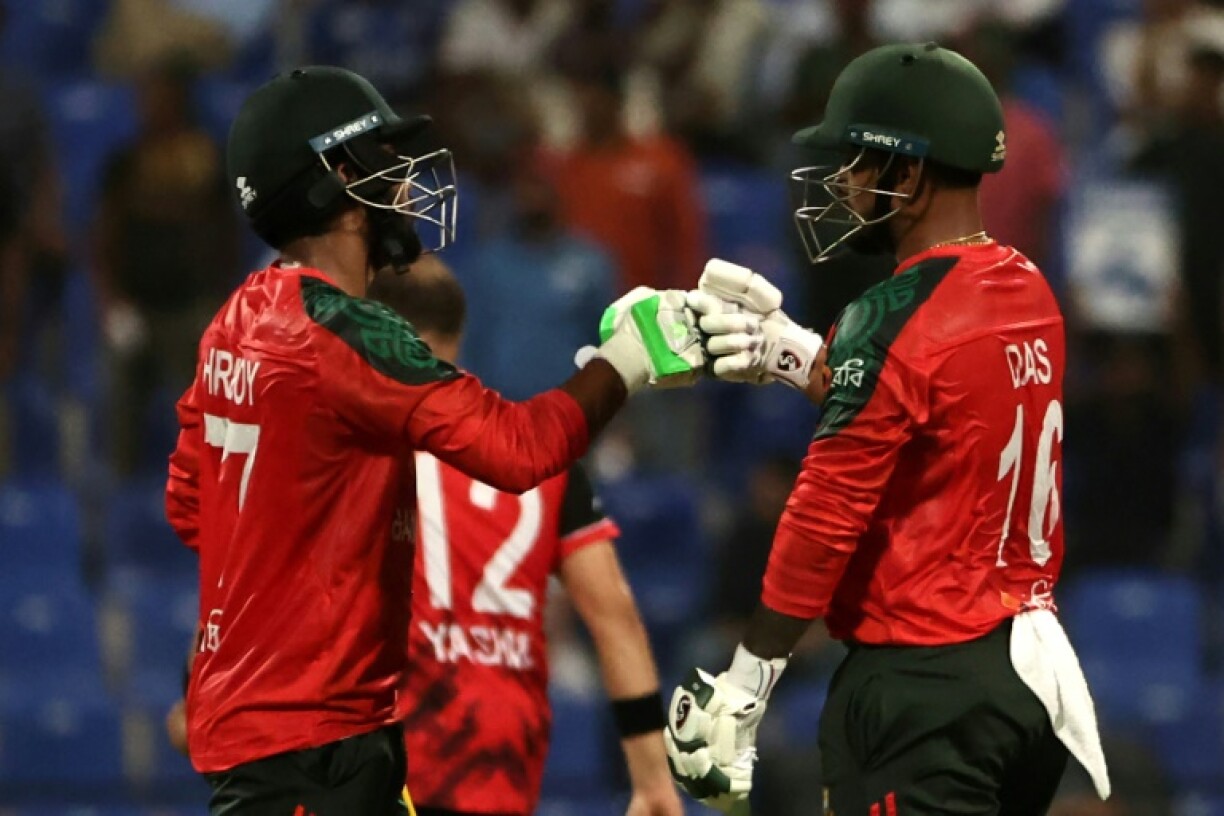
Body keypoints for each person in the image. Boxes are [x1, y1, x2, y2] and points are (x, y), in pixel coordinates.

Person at [164, 65, 703, 815]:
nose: (401, 186)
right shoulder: (346, 333)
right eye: (382, 164)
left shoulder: (236, 318)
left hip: (283, 734)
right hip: (317, 744)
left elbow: (191, 505)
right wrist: (628, 358)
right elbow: (519, 450)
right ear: (336, 181)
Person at [663, 43, 1111, 814]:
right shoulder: (1027, 287)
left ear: (909, 174)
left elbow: (825, 512)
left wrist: (747, 681)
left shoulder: (890, 314)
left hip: (922, 683)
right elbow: (935, 408)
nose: (843, 181)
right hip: (1027, 679)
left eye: (860, 160)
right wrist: (797, 355)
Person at [367, 259, 682, 816]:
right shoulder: (541, 459)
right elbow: (614, 617)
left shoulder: (357, 448)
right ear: (458, 339)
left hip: (387, 769)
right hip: (497, 764)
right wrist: (653, 780)